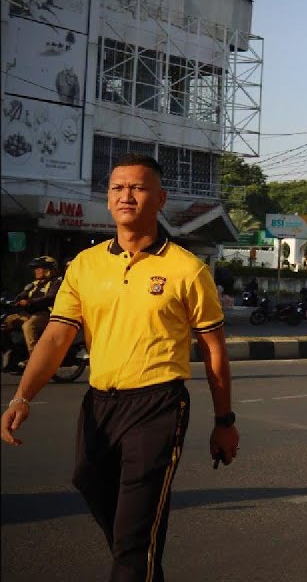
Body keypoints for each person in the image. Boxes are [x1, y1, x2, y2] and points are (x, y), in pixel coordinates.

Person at [1, 153, 238, 582]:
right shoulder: (85, 266)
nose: (126, 195)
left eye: (138, 187)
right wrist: (22, 396)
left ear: (160, 198)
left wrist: (225, 420)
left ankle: (135, 558)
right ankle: (140, 559)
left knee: (132, 538)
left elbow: (214, 351)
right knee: (89, 482)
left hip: (158, 406)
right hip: (99, 404)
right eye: (117, 187)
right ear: (108, 199)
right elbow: (57, 336)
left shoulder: (187, 270)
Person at [2, 255, 62, 368]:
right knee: (6, 321)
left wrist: (29, 302)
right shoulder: (34, 284)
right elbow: (21, 295)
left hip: (46, 314)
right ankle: (11, 352)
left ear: (49, 270)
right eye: (36, 269)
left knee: (28, 326)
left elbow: (50, 298)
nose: (36, 271)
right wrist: (13, 300)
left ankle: (35, 358)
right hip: (29, 314)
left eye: (39, 268)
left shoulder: (56, 283)